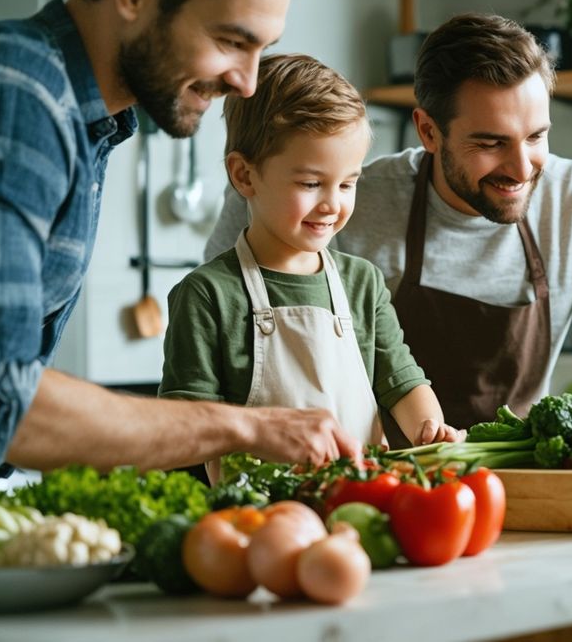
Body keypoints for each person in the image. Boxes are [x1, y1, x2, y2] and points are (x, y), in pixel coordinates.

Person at [0, 0, 361, 501]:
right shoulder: (14, 98)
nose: (246, 82)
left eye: (261, 49)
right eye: (231, 41)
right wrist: (247, 427)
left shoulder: (85, 120)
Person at [206, 13, 572, 442]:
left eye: (536, 136)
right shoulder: (339, 206)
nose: (521, 168)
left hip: (521, 483)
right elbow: (228, 321)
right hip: (369, 485)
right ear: (428, 131)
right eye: (490, 143)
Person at [160, 53, 462, 482]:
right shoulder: (208, 294)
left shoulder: (363, 283)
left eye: (347, 183)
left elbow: (402, 381)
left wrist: (430, 429)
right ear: (244, 175)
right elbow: (184, 426)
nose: (332, 204)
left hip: (362, 504)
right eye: (311, 183)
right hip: (256, 515)